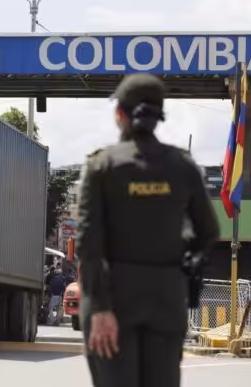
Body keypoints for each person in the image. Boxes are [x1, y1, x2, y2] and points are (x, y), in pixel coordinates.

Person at [75, 73, 220, 387]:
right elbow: (208, 232)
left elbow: (88, 243)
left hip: (112, 299)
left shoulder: (102, 167)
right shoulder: (182, 167)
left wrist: (99, 309)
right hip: (166, 299)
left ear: (119, 115)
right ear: (158, 116)